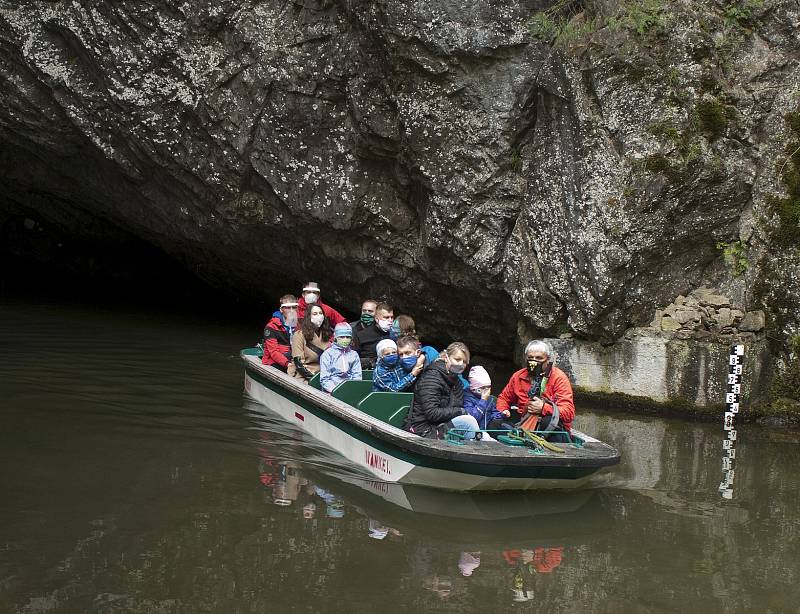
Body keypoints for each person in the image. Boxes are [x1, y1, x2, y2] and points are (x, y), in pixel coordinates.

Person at [402, 342, 492, 441]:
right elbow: (432, 413)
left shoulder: (457, 382)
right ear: (446, 357)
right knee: (468, 422)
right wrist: (460, 411)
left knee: (484, 436)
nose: (461, 364)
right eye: (457, 359)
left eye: (465, 361)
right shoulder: (432, 377)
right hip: (423, 430)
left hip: (442, 425)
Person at [495, 340, 575, 442]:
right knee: (495, 423)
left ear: (548, 360)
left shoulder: (559, 378)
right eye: (530, 358)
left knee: (548, 421)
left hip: (549, 428)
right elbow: (503, 398)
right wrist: (503, 410)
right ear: (525, 358)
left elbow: (568, 413)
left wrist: (543, 408)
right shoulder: (518, 376)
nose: (534, 361)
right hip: (524, 422)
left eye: (539, 358)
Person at [288, 304, 333, 381]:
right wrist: (314, 379)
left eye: (320, 313)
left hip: (323, 375)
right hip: (303, 374)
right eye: (315, 314)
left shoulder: (327, 334)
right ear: (309, 316)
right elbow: (299, 364)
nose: (318, 316)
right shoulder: (299, 335)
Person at [319, 322, 362, 393]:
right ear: (335, 337)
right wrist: (336, 391)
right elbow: (324, 379)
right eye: (341, 337)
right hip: (331, 391)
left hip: (350, 391)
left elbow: (357, 376)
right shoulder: (328, 354)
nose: (345, 339)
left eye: (348, 337)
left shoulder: (354, 355)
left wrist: (352, 390)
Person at [352, 302, 394, 369]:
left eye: (392, 317)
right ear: (376, 319)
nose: (390, 320)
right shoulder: (362, 335)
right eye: (386, 317)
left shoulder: (394, 335)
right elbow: (353, 358)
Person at [262, 295, 298, 370]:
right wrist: (288, 364)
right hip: (273, 362)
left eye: (294, 307)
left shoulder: (299, 325)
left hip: (293, 358)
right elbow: (273, 352)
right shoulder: (271, 327)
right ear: (281, 310)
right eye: (288, 308)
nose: (291, 310)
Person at [463, 366, 505, 430]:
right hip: (474, 432)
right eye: (483, 388)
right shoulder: (467, 399)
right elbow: (473, 418)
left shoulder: (490, 399)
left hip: (487, 430)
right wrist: (483, 400)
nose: (487, 390)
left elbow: (494, 412)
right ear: (475, 388)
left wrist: (501, 415)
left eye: (488, 387)